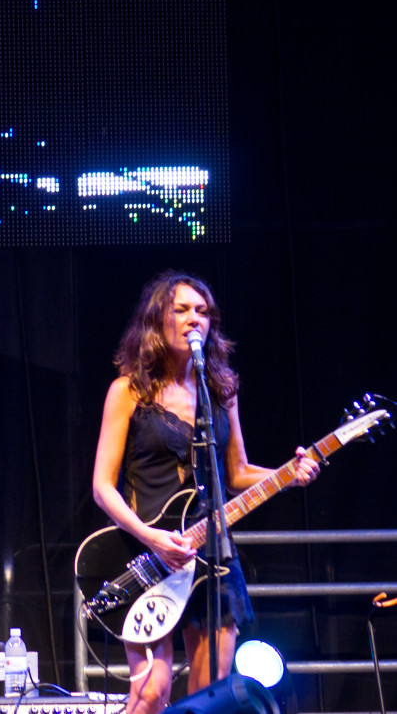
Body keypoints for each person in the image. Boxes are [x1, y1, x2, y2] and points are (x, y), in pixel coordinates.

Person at [90, 270, 319, 714]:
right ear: (157, 319)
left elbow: (238, 472)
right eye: (181, 310)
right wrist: (151, 536)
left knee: (208, 696)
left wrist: (289, 473)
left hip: (211, 556)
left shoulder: (222, 389)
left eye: (203, 312)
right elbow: (102, 486)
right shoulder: (128, 391)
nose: (195, 319)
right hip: (149, 554)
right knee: (152, 692)